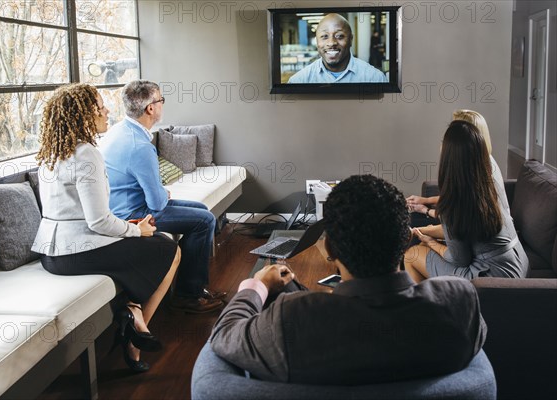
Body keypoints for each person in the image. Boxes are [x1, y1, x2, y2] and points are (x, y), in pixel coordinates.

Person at [209, 175, 487, 385]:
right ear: (406, 238)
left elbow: (224, 336)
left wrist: (258, 286)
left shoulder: (293, 320)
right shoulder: (459, 302)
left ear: (328, 249)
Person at [32, 83, 181, 373]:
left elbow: (75, 215)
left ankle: (132, 313)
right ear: (83, 115)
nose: (107, 111)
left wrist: (129, 226)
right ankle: (136, 333)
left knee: (141, 249)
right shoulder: (86, 153)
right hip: (77, 253)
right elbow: (98, 222)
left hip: (51, 255)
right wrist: (139, 231)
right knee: (168, 248)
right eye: (100, 107)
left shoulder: (51, 153)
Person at [99, 80, 225, 314]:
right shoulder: (139, 145)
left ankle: (192, 285)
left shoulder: (121, 130)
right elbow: (156, 202)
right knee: (204, 221)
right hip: (132, 214)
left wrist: (160, 192)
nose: (162, 105)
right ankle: (189, 295)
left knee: (200, 209)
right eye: (161, 100)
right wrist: (161, 192)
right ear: (150, 108)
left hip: (124, 205)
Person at [403, 120, 529, 281]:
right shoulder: (488, 186)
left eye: (443, 143)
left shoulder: (455, 204)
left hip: (494, 278)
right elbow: (461, 231)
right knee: (423, 247)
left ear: (450, 156)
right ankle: (440, 301)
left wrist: (430, 242)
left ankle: (424, 304)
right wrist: (423, 231)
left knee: (412, 255)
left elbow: (460, 260)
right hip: (518, 264)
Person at [407, 109, 510, 221]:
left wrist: (425, 211)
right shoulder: (481, 160)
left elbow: (457, 221)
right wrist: (425, 201)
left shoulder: (479, 171)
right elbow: (457, 199)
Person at [288, 13, 387, 84]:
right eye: (324, 36)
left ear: (351, 40)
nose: (331, 43)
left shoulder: (375, 78)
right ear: (317, 41)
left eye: (340, 36)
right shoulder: (298, 81)